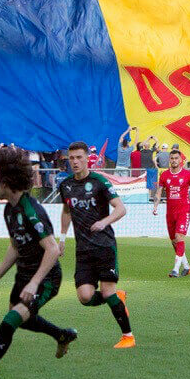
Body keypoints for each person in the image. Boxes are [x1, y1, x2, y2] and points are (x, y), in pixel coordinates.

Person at [0, 146, 77, 379]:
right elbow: (15, 245)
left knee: (10, 321)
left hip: (45, 279)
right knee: (22, 321)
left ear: (6, 181)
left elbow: (53, 250)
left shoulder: (31, 210)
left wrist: (34, 283)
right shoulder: (9, 209)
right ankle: (62, 335)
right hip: (23, 276)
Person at [58, 141, 144, 349]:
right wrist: (61, 238)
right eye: (72, 158)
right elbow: (67, 211)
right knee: (85, 297)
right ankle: (117, 298)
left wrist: (104, 221)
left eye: (79, 157)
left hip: (104, 246)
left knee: (106, 291)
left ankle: (128, 336)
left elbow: (120, 209)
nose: (75, 162)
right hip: (83, 249)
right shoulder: (66, 185)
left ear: (88, 158)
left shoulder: (99, 182)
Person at [152, 147, 190, 277]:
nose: (174, 161)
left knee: (180, 237)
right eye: (172, 158)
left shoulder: (187, 175)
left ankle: (175, 269)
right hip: (170, 212)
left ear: (181, 160)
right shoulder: (164, 175)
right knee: (174, 241)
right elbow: (158, 192)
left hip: (184, 211)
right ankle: (187, 267)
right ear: (169, 160)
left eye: (176, 158)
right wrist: (155, 206)